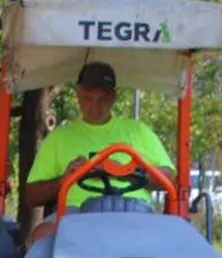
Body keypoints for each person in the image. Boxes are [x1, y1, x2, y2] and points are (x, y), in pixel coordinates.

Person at [23, 61, 173, 235]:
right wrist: (65, 179)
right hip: (75, 216)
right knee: (41, 234)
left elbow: (169, 179)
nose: (95, 106)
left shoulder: (138, 132)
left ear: (113, 97)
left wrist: (124, 171)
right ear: (78, 94)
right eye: (88, 98)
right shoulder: (59, 138)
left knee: (175, 239)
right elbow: (32, 196)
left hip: (135, 213)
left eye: (103, 98)